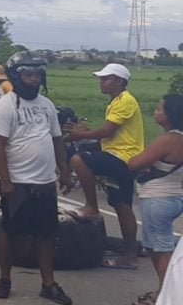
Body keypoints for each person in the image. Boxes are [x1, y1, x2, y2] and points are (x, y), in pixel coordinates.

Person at [0, 57, 73, 305]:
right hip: (17, 182)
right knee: (10, 231)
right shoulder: (4, 107)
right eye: (28, 74)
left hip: (45, 181)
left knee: (45, 234)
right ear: (16, 76)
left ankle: (49, 284)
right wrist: (6, 181)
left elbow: (57, 139)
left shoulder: (47, 105)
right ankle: (5, 279)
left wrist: (64, 170)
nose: (34, 79)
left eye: (38, 74)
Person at [64, 63, 144, 270]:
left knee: (79, 159)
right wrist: (88, 132)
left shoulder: (124, 101)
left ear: (119, 81)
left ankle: (91, 207)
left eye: (106, 78)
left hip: (122, 157)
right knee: (121, 205)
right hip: (120, 155)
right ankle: (130, 254)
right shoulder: (117, 101)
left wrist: (80, 134)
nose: (101, 82)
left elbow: (107, 131)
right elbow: (112, 133)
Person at [126, 94, 183, 304]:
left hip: (158, 198)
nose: (156, 111)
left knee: (163, 250)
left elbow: (134, 163)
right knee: (152, 246)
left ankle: (168, 295)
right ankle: (162, 291)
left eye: (160, 108)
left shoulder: (169, 140)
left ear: (170, 115)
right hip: (172, 196)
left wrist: (143, 161)